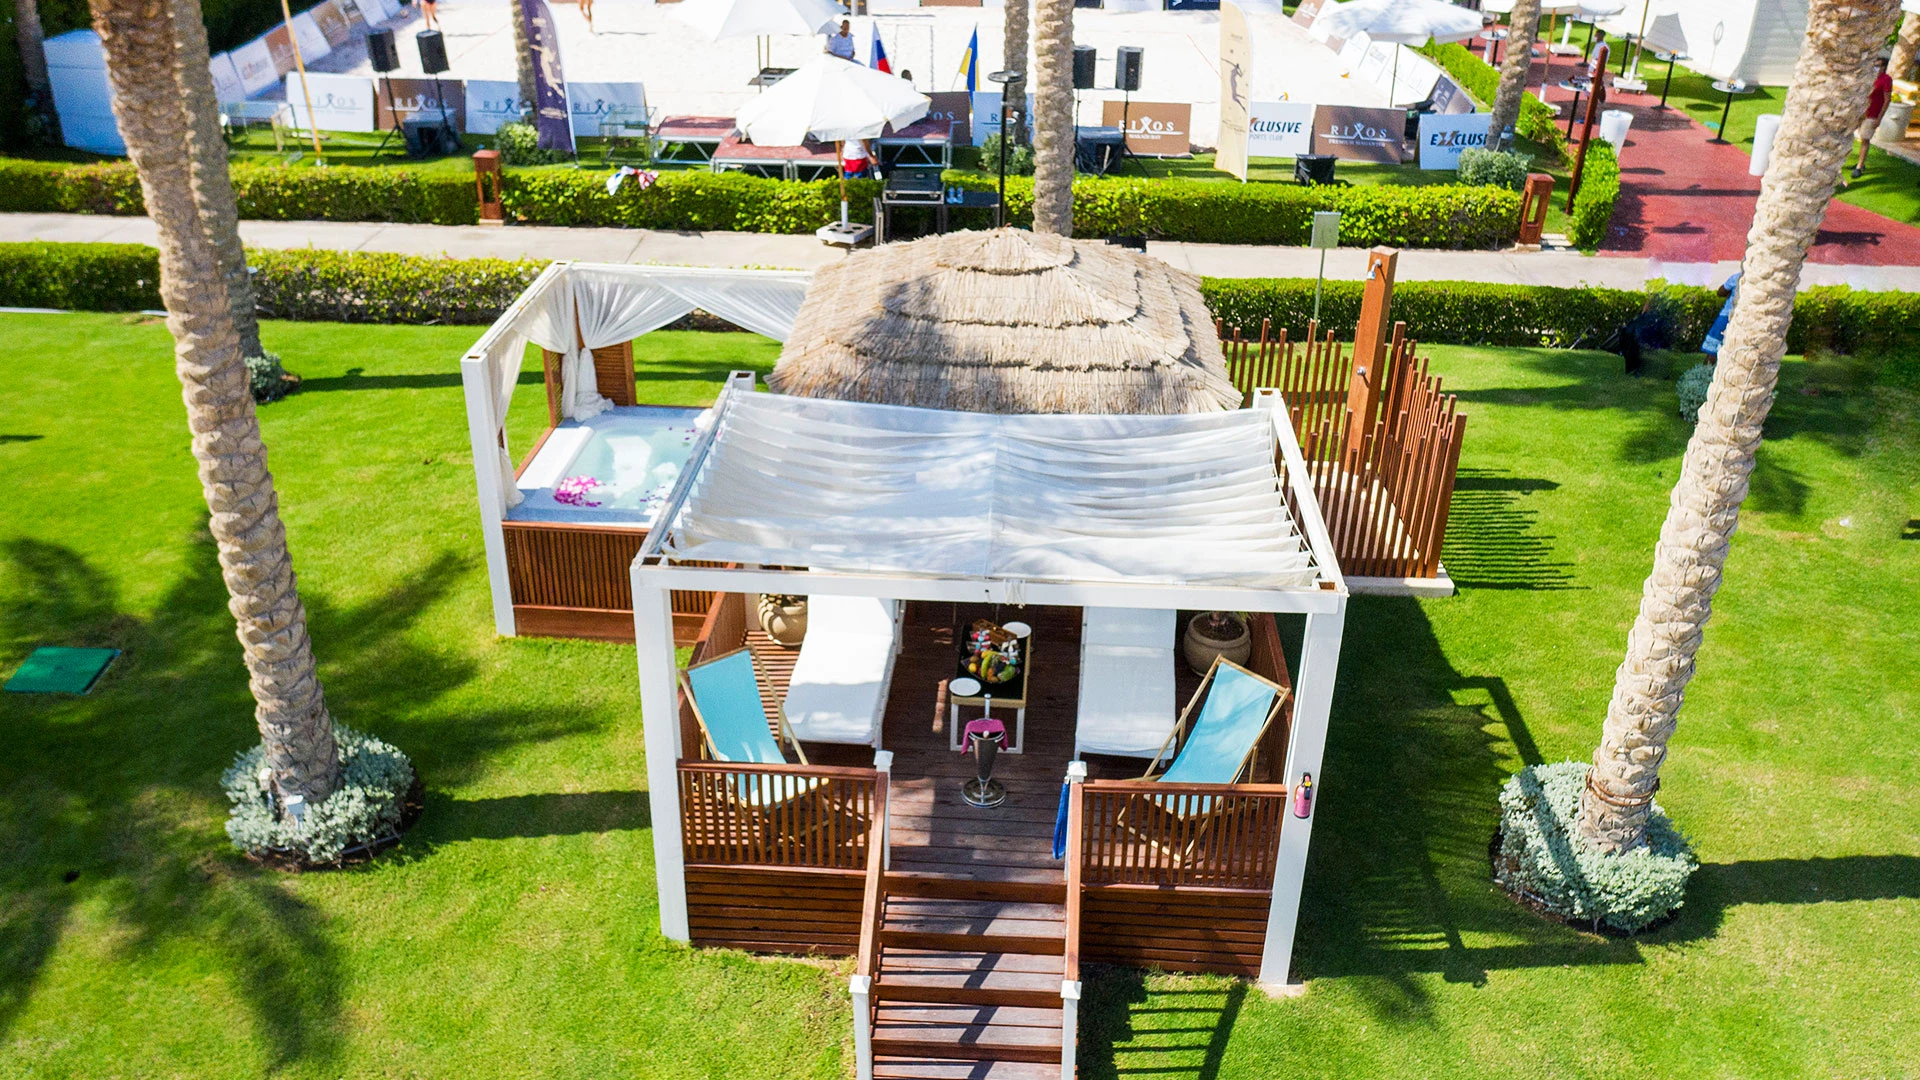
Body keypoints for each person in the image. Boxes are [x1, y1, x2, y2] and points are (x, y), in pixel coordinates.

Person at [1852, 57, 1892, 180]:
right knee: (1859, 137)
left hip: (1873, 114)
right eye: (1874, 64)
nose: (1875, 67)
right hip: (1862, 112)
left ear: (1884, 67)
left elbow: (1887, 100)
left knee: (1865, 139)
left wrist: (1879, 118)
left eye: (1878, 65)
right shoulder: (1870, 77)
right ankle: (1860, 162)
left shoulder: (1886, 79)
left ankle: (1859, 167)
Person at [1700, 271, 1741, 360]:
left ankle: (1708, 368)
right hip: (1745, 319)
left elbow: (1720, 292)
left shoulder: (1737, 277)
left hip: (1726, 316)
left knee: (1713, 348)